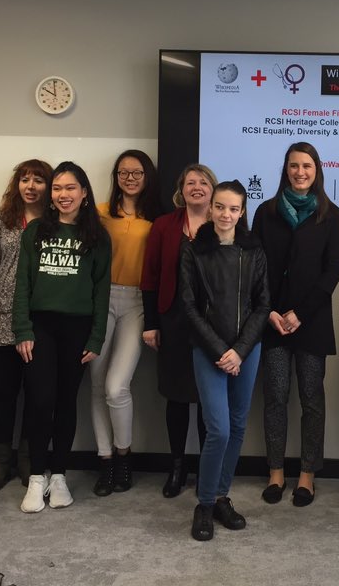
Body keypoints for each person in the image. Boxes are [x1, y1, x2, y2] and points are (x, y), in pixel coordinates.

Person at [13, 161, 111, 512]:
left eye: (71, 188)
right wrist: (22, 329)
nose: (63, 194)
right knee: (40, 401)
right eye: (57, 188)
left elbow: (102, 291)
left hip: (78, 329)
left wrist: (96, 337)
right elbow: (22, 284)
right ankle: (36, 478)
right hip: (40, 327)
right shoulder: (36, 230)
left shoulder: (97, 237)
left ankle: (59, 477)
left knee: (66, 402)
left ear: (84, 193)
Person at [253, 142, 339, 507]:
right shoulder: (266, 211)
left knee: (312, 399)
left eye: (307, 166)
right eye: (294, 166)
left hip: (312, 322)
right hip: (272, 321)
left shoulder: (330, 214)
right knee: (274, 397)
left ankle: (307, 474)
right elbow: (256, 266)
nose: (300, 172)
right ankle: (276, 472)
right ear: (285, 170)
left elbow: (332, 272)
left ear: (316, 170)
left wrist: (300, 313)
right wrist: (271, 311)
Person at [179, 180, 271, 541]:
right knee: (217, 428)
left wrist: (240, 350)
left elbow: (263, 304)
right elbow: (188, 305)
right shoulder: (193, 250)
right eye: (220, 207)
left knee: (236, 427)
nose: (226, 214)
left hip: (245, 352)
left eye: (233, 208)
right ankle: (203, 503)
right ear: (211, 207)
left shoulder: (255, 250)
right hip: (208, 350)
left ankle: (220, 496)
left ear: (242, 212)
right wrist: (221, 351)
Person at [0, 159, 53, 492]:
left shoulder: (56, 221)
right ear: (17, 184)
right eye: (25, 179)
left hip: (40, 318)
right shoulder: (3, 218)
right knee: (1, 394)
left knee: (36, 395)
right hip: (1, 316)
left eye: (38, 180)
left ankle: (27, 459)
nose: (31, 185)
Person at [141, 163, 216, 497]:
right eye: (190, 182)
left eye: (203, 182)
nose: (196, 187)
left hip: (214, 325)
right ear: (181, 189)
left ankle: (205, 467)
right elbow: (150, 277)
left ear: (213, 189)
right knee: (176, 396)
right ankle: (176, 467)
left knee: (206, 398)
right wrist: (151, 324)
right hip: (172, 319)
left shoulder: (225, 222)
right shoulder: (163, 226)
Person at [89, 149, 161, 496]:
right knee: (96, 383)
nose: (129, 179)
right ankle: (104, 462)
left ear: (147, 176)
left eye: (137, 173)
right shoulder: (100, 213)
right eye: (123, 173)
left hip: (136, 302)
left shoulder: (158, 217)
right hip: (99, 300)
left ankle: (123, 456)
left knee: (116, 387)